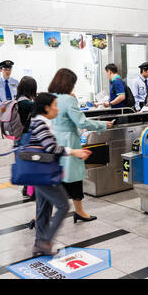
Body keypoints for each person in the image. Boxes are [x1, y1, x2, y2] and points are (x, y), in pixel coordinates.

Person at [29, 92, 92, 256]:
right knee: (63, 205)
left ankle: (39, 244)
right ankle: (45, 242)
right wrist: (74, 152)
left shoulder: (38, 122)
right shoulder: (41, 124)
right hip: (43, 173)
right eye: (55, 105)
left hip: (38, 171)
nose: (57, 109)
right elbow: (51, 148)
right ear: (46, 108)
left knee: (43, 208)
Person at [48, 68, 113, 223]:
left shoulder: (49, 97)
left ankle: (40, 215)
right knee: (74, 178)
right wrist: (103, 125)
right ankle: (80, 212)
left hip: (52, 140)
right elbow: (81, 122)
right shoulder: (68, 99)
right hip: (69, 141)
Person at [14, 76, 38, 200]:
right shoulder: (26, 103)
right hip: (25, 136)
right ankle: (30, 191)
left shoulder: (17, 99)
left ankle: (25, 188)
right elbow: (42, 111)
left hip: (17, 136)